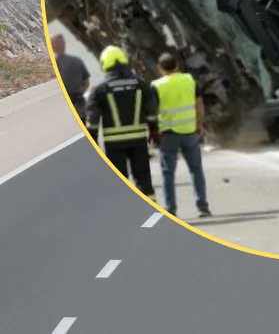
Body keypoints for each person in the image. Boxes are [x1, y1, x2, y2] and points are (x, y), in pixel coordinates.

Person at [85, 45, 158, 198]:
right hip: (138, 141)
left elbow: (93, 119)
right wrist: (154, 130)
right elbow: (152, 111)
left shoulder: (99, 90)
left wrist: (93, 140)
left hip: (114, 144)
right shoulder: (141, 84)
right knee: (144, 180)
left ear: (104, 64)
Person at [151, 51, 211, 218]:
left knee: (168, 173)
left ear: (160, 68)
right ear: (177, 66)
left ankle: (171, 209)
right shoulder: (189, 80)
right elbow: (200, 106)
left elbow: (152, 112)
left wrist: (154, 132)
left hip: (167, 135)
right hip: (189, 132)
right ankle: (203, 206)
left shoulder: (156, 86)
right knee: (196, 170)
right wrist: (199, 126)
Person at [50, 33, 89, 121]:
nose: (59, 46)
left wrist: (79, 93)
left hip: (79, 106)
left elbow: (86, 81)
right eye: (56, 43)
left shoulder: (76, 61)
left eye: (61, 43)